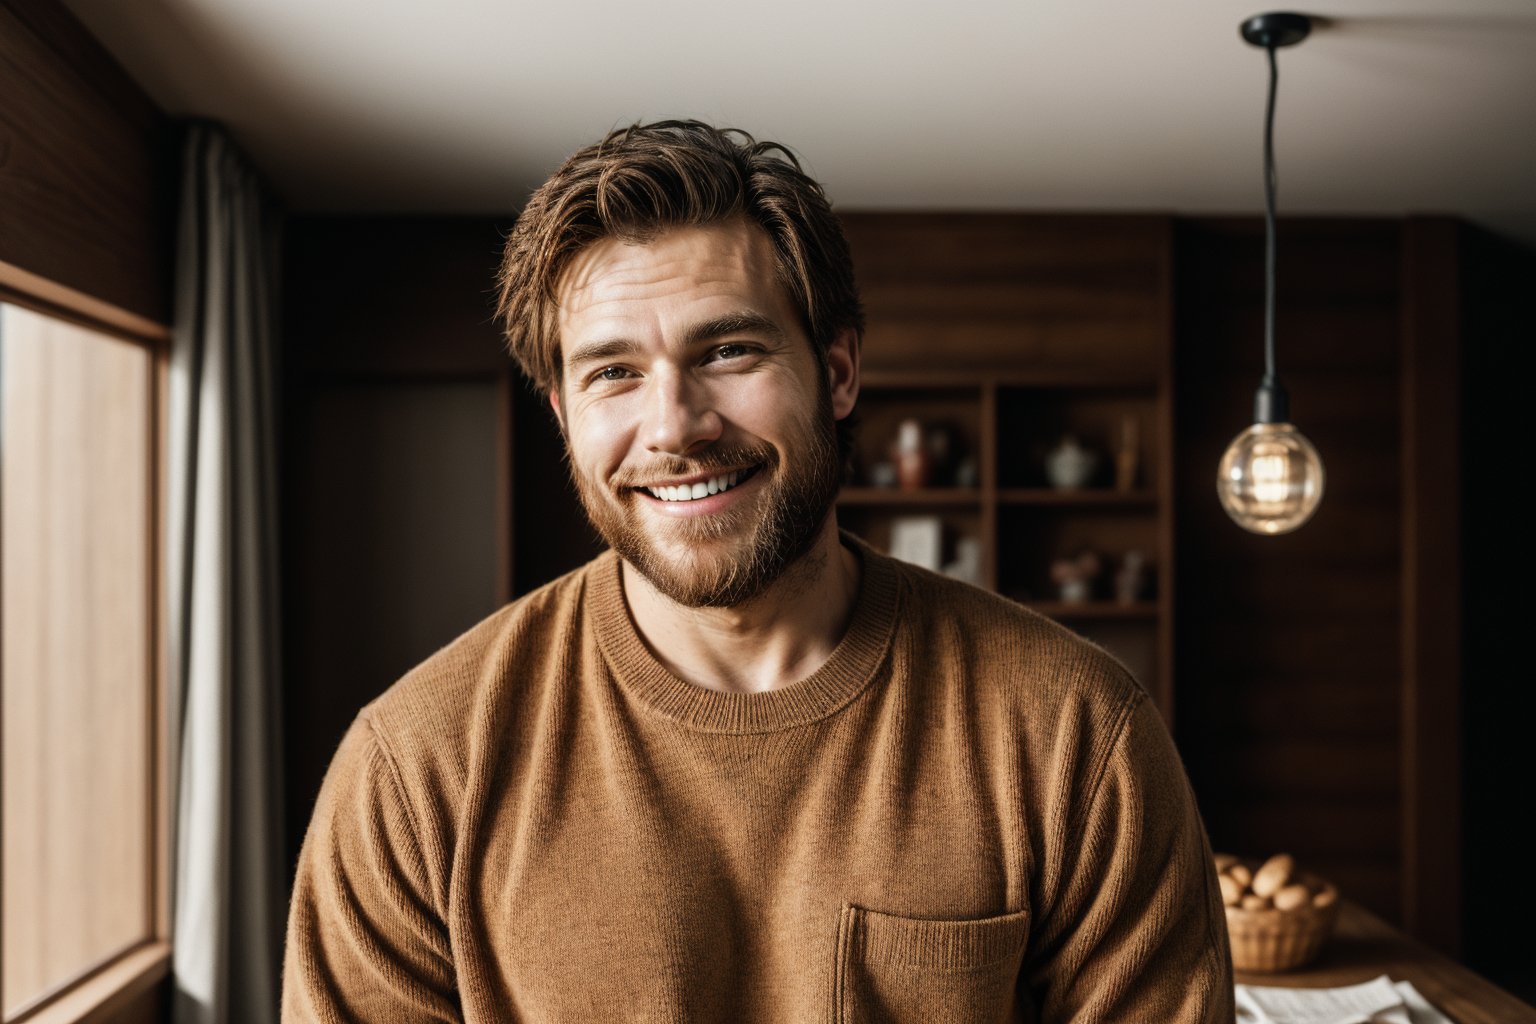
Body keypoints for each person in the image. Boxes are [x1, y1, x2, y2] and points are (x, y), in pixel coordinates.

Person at [282, 120, 1235, 1023]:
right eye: (612, 372)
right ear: (563, 415)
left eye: (729, 349)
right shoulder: (415, 773)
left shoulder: (1074, 732)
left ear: (840, 370)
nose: (675, 426)